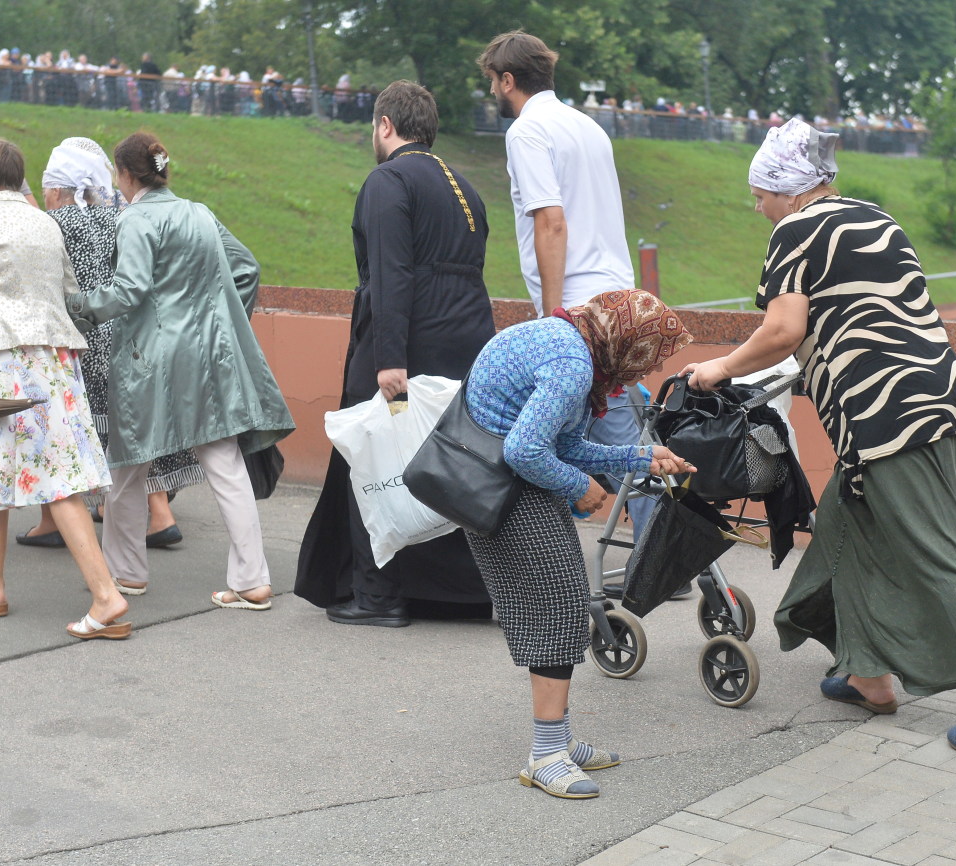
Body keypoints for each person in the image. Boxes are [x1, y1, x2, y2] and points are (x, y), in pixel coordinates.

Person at [683, 118, 956, 765]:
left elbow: (783, 330)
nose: (757, 206)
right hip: (935, 395)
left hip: (886, 417)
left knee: (936, 549)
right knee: (846, 535)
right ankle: (868, 674)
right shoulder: (873, 220)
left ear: (785, 190)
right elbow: (866, 318)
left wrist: (716, 368)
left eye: (760, 193)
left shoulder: (795, 230)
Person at [463, 289, 693, 799]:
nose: (642, 374)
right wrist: (580, 486)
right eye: (646, 358)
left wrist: (642, 457)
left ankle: (559, 741)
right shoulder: (571, 364)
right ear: (625, 342)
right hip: (505, 487)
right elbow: (526, 449)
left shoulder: (571, 340)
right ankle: (545, 754)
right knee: (557, 610)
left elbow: (560, 443)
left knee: (562, 606)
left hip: (503, 480)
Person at [295, 80, 496, 628]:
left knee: (373, 458)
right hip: (465, 342)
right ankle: (471, 591)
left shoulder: (388, 181)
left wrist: (389, 358)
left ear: (385, 125)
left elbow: (390, 274)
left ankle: (379, 594)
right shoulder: (466, 186)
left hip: (407, 342)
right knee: (455, 468)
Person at [66, 132, 294, 607]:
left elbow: (128, 291)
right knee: (225, 465)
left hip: (148, 359)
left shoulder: (134, 221)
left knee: (128, 468)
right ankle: (253, 580)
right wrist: (223, 320)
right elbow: (246, 269)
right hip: (209, 354)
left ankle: (127, 573)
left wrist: (79, 307)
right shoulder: (199, 213)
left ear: (126, 174)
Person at [478, 31, 666, 582]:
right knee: (627, 434)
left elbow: (550, 220)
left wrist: (553, 316)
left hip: (578, 305)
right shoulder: (588, 125)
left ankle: (628, 566)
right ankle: (660, 557)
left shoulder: (527, 130)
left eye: (492, 80)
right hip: (619, 295)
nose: (492, 89)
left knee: (574, 437)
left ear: (508, 80)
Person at [0, 139, 128, 639]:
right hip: (57, 359)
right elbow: (67, 291)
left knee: (55, 476)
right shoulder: (44, 221)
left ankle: (107, 596)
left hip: (6, 360)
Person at [19, 136, 207, 550]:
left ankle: (55, 521)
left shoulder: (55, 224)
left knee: (67, 432)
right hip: (126, 337)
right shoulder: (120, 215)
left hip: (83, 338)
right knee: (130, 434)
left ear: (57, 189)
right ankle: (159, 514)